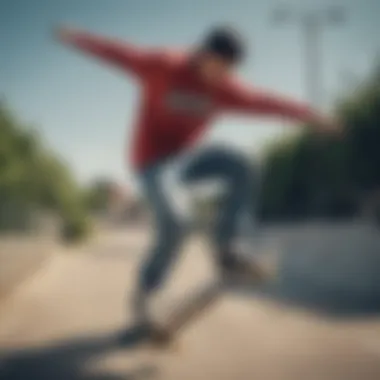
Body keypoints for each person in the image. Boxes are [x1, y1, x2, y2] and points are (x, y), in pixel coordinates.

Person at [55, 24, 337, 332]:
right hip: (151, 163)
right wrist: (78, 38)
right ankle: (147, 296)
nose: (220, 75)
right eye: (217, 66)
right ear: (203, 54)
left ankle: (228, 249)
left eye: (228, 70)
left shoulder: (227, 88)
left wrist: (310, 114)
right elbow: (121, 54)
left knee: (244, 163)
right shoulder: (164, 65)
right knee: (177, 222)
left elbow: (265, 102)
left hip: (189, 160)